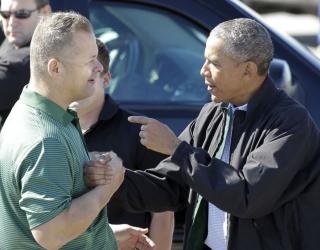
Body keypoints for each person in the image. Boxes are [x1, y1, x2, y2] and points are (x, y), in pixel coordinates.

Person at [86, 18, 320, 250]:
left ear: (248, 70)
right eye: (204, 60)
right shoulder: (212, 114)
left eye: (214, 63)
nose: (203, 71)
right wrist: (114, 178)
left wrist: (177, 149)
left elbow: (247, 197)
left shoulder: (290, 123)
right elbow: (172, 187)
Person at [0, 11, 146, 250]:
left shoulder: (31, 110)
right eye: (90, 60)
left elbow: (35, 221)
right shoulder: (46, 139)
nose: (99, 67)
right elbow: (52, 233)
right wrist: (108, 186)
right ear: (55, 68)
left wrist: (104, 233)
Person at [70, 39, 174, 250]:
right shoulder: (50, 131)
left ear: (106, 78)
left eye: (89, 76)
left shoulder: (137, 131)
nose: (78, 84)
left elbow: (163, 211)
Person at [0, 0, 51, 127]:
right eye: (5, 14)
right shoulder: (13, 41)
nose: (11, 22)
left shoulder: (36, 58)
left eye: (22, 14)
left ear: (45, 12)